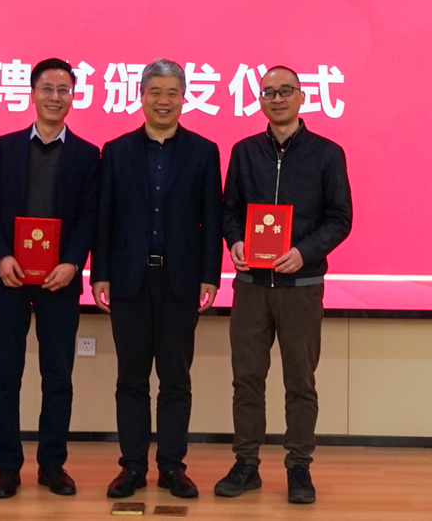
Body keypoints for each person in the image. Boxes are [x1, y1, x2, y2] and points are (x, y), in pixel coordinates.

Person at [215, 65, 352, 504]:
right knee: (247, 379)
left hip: (302, 286)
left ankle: (299, 467)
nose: (276, 98)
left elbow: (340, 219)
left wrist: (304, 252)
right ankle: (246, 463)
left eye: (284, 90)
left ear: (302, 96)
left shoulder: (327, 153)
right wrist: (235, 240)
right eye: (268, 92)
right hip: (251, 287)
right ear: (260, 101)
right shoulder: (244, 151)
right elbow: (229, 210)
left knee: (300, 381)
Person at [91, 59, 223, 499]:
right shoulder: (116, 150)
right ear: (141, 96)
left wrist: (210, 275)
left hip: (179, 281)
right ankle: (131, 467)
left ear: (184, 98)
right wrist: (100, 273)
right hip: (128, 280)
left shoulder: (204, 151)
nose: (163, 101)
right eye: (155, 92)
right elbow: (104, 217)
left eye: (172, 93)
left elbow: (212, 219)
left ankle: (171, 467)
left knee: (175, 379)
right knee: (130, 379)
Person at [0, 58, 99, 499]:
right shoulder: (5, 147)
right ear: (32, 94)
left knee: (58, 377)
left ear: (73, 97)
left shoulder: (87, 154)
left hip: (58, 282)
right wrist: (1, 256)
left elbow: (89, 216)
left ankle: (52, 465)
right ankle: (7, 468)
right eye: (47, 88)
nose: (55, 97)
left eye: (64, 90)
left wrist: (73, 263)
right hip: (7, 279)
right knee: (5, 378)